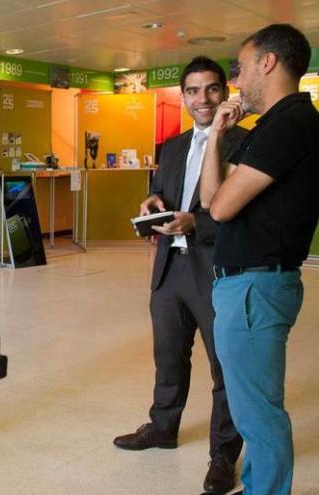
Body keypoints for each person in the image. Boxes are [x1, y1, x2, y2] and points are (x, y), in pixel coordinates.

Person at [114, 56, 246, 494]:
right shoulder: (173, 146)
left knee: (224, 367)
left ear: (224, 92)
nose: (202, 98)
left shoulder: (244, 143)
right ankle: (162, 427)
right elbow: (165, 190)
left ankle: (223, 455)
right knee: (168, 356)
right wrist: (153, 200)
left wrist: (198, 223)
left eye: (211, 89)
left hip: (216, 271)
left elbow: (244, 213)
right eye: (192, 90)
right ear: (183, 96)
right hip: (169, 268)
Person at [200, 24, 318, 495]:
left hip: (255, 286)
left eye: (243, 66)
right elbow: (212, 199)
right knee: (253, 409)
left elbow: (224, 207)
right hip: (246, 285)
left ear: (268, 63)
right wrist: (215, 137)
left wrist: (222, 188)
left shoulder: (290, 123)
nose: (238, 78)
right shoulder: (269, 125)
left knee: (259, 413)